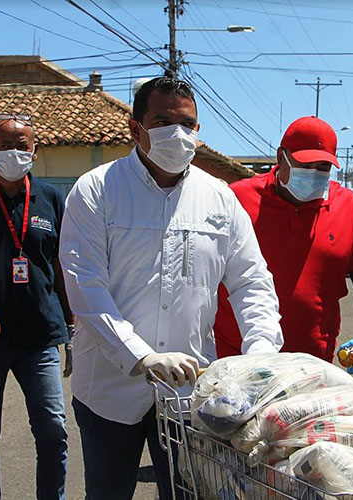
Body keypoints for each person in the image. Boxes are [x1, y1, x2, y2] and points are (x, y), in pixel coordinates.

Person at [58, 76, 283, 500]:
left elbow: (252, 282)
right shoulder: (96, 191)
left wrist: (260, 360)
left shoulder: (219, 197)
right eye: (163, 121)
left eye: (188, 124)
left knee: (190, 494)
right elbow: (85, 287)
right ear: (135, 127)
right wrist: (141, 356)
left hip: (189, 395)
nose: (178, 134)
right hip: (108, 389)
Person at [0, 113, 74, 500]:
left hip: (40, 336)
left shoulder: (52, 198)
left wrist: (71, 328)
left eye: (22, 145)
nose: (13, 152)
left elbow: (59, 266)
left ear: (34, 152)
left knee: (53, 430)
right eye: (4, 145)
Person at [214, 116, 353, 375]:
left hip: (314, 366)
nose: (315, 174)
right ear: (281, 157)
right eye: (306, 164)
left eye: (324, 167)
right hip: (237, 360)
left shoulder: (352, 208)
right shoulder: (237, 199)